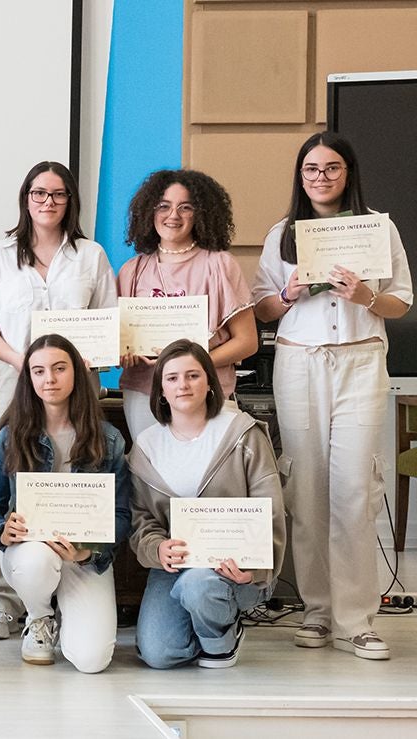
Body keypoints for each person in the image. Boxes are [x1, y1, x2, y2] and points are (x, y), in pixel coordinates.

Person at [252, 132, 412, 660]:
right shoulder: (283, 234)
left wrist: (366, 295)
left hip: (361, 361)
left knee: (354, 489)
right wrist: (288, 293)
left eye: (332, 168)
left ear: (349, 172)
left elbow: (401, 302)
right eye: (311, 169)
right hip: (299, 362)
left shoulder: (378, 226)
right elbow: (262, 311)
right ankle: (316, 611)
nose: (321, 177)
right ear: (301, 176)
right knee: (307, 488)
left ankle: (357, 618)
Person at [0, 161, 117, 639]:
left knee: (73, 479)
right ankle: (5, 602)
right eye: (38, 193)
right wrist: (23, 362)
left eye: (57, 194)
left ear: (70, 200)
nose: (47, 202)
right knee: (10, 485)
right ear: (25, 199)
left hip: (78, 387)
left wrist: (86, 356)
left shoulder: (90, 256)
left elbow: (109, 321)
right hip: (13, 380)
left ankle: (69, 585)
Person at [0, 334, 130, 673]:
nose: (50, 379)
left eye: (60, 369)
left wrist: (88, 552)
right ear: (28, 378)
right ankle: (40, 617)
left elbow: (121, 516)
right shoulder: (11, 435)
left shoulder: (109, 439)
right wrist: (2, 529)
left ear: (76, 372)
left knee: (91, 661)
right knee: (35, 561)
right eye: (39, 371)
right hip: (33, 552)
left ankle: (68, 613)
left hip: (83, 557)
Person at [127, 340, 285, 669]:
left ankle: (222, 637)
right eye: (171, 378)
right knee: (159, 654)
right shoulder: (146, 447)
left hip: (233, 568)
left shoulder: (242, 433)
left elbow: (270, 509)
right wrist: (157, 549)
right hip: (176, 565)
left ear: (210, 383)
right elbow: (141, 519)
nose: (182, 385)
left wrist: (256, 568)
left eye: (193, 376)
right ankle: (199, 621)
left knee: (199, 586)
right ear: (160, 391)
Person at [117, 169, 257, 440]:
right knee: (153, 474)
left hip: (206, 389)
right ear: (149, 211)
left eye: (186, 207)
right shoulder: (131, 271)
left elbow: (248, 341)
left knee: (207, 477)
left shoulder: (219, 265)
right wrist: (123, 353)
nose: (173, 216)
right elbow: (120, 344)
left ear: (201, 213)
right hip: (144, 391)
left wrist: (192, 366)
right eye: (164, 206)